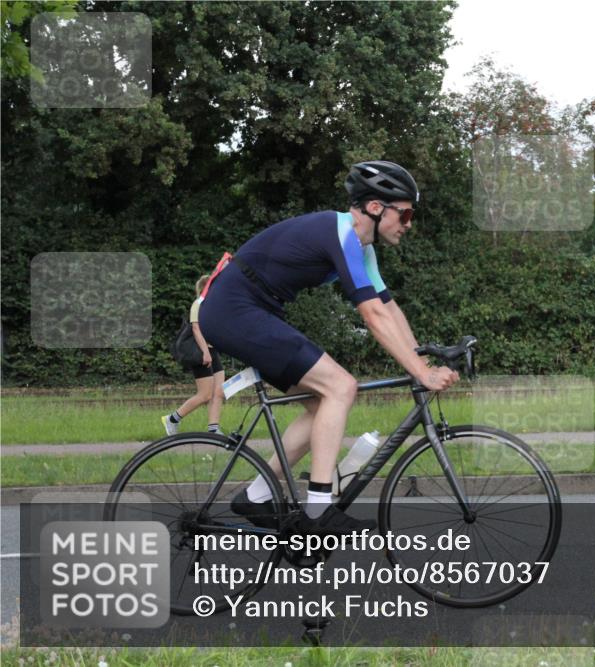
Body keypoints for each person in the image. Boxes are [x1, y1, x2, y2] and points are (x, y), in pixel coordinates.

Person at [198, 161, 458, 534]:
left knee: (324, 402)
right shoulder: (341, 233)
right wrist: (421, 374)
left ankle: (255, 496)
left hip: (247, 311)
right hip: (234, 310)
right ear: (375, 207)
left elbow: (387, 306)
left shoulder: (361, 247)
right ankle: (319, 509)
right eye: (405, 213)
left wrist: (420, 359)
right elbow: (371, 315)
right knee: (341, 386)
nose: (409, 223)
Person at [162, 275, 226, 436]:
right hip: (200, 352)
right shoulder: (197, 304)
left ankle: (213, 428)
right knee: (205, 395)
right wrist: (205, 352)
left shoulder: (213, 306)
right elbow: (196, 329)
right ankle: (172, 419)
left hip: (212, 351)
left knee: (219, 391)